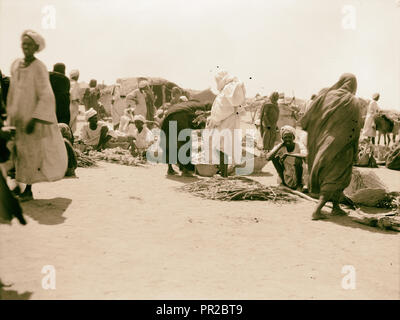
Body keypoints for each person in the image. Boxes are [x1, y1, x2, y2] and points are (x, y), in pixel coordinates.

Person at [5, 30, 68, 201]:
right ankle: (18, 186)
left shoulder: (39, 67)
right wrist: (10, 113)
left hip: (32, 119)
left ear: (36, 47)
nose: (25, 47)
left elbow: (46, 94)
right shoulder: (17, 65)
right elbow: (13, 91)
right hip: (18, 117)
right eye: (23, 44)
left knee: (31, 154)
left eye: (29, 44)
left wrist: (35, 118)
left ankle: (28, 190)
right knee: (17, 152)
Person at [300, 73, 362, 220]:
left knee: (336, 176)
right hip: (342, 146)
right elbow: (356, 127)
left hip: (323, 143)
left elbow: (310, 117)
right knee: (336, 176)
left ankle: (335, 207)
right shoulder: (352, 101)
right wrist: (354, 149)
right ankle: (317, 210)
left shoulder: (326, 95)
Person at [206, 70, 246, 177]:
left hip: (225, 122)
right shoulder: (229, 88)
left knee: (221, 147)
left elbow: (223, 109)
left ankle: (223, 174)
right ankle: (224, 172)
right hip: (229, 122)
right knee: (224, 147)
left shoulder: (228, 89)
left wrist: (214, 120)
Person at [266, 125, 307, 191]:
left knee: (298, 160)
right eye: (285, 137)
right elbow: (268, 157)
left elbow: (305, 155)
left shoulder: (299, 145)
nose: (287, 139)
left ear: (293, 138)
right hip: (287, 171)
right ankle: (283, 182)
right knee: (274, 158)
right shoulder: (281, 146)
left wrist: (289, 154)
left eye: (289, 137)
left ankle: (299, 184)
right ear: (282, 138)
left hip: (299, 171)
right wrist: (280, 145)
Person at [69, 69, 80, 134]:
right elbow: (73, 95)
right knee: (72, 120)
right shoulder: (75, 84)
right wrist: (76, 99)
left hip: (69, 103)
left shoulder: (69, 82)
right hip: (73, 104)